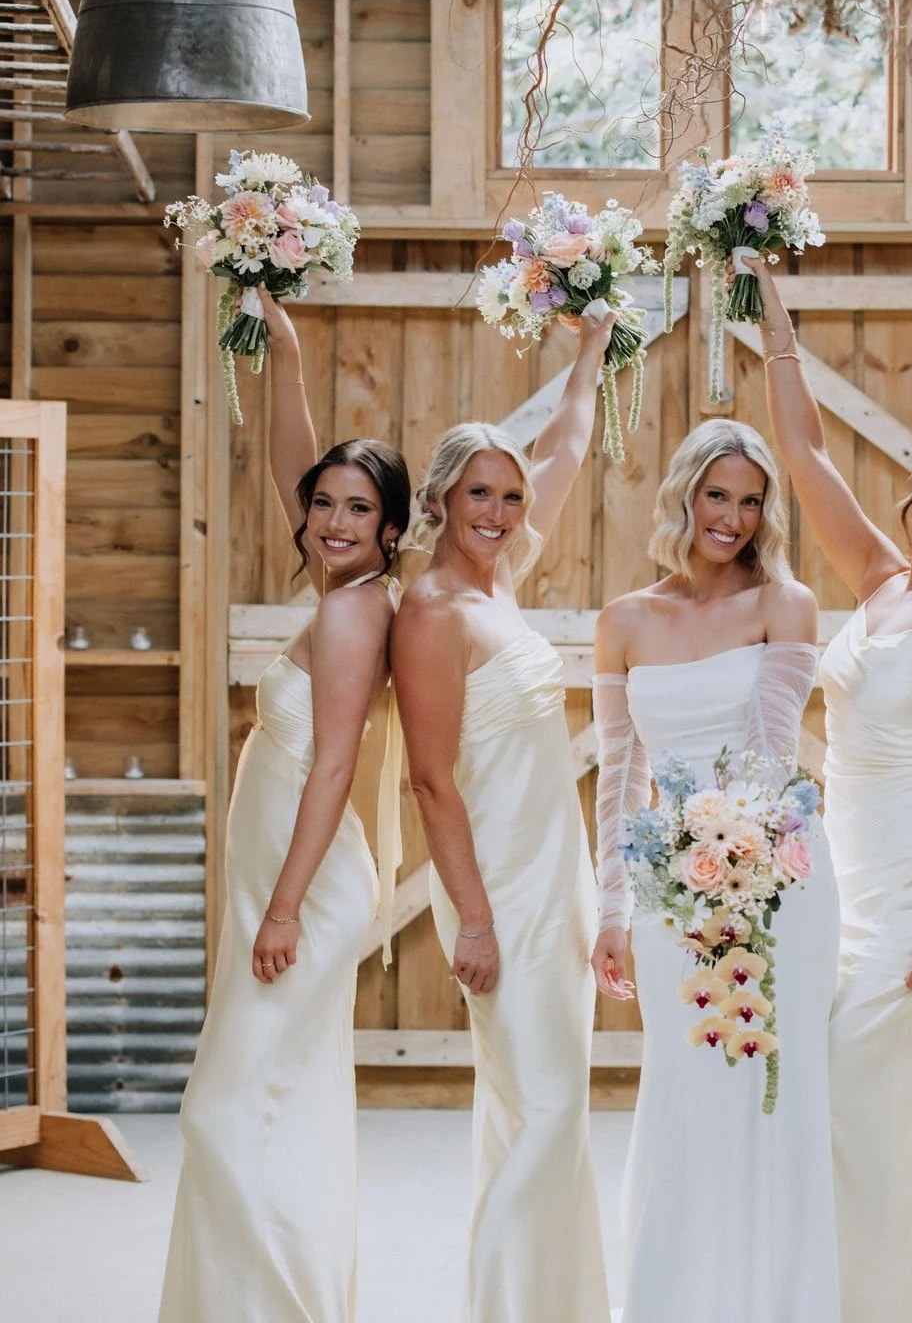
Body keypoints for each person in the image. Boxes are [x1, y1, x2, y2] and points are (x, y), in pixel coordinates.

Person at [754, 254, 912, 1323]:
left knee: (866, 1101)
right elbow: (804, 447)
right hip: (846, 870)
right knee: (834, 1102)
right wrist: (767, 304)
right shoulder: (884, 579)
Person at [159, 292, 409, 1323]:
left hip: (305, 884)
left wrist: (285, 905)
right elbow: (290, 455)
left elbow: (335, 765)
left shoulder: (356, 618)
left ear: (391, 530)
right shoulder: (335, 587)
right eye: (325, 505)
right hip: (281, 875)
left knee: (225, 1104)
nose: (334, 521)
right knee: (282, 1099)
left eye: (359, 510)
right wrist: (286, 348)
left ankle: (283, 1303)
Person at [590, 418, 842, 1323]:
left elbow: (775, 756)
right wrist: (612, 911)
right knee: (687, 1091)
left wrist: (744, 857)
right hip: (667, 889)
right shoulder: (623, 621)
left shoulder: (786, 604)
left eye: (750, 500)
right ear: (684, 494)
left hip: (779, 879)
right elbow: (621, 779)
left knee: (779, 1096)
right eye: (716, 495)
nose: (731, 517)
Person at [390, 309, 615, 1323]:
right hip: (493, 891)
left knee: (537, 1103)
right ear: (439, 498)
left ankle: (541, 1304)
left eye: (511, 497)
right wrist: (472, 919)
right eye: (479, 492)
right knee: (548, 1106)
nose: (499, 510)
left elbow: (569, 444)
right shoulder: (432, 612)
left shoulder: (505, 580)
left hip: (555, 876)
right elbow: (431, 781)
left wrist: (591, 350)